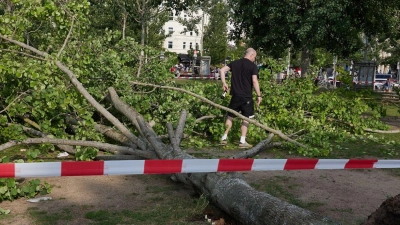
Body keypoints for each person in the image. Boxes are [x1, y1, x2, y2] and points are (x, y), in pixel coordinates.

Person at [219, 48, 262, 148]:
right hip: (246, 97)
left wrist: (224, 83)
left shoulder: (235, 63)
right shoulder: (253, 66)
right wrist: (259, 95)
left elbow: (222, 70)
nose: (254, 59)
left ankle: (224, 138)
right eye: (254, 57)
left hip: (235, 95)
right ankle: (242, 141)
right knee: (245, 118)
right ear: (251, 55)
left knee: (230, 116)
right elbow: (255, 81)